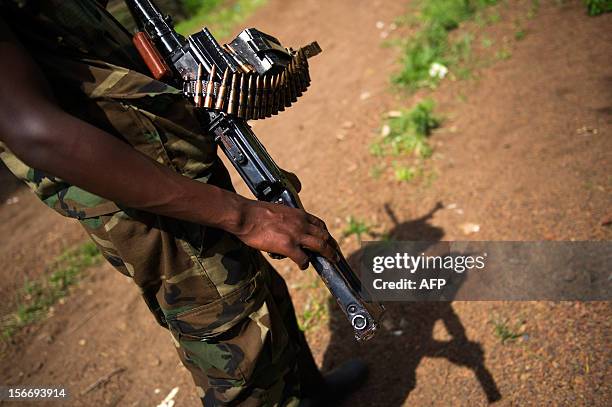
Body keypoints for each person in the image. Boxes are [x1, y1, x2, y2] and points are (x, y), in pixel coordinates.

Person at [0, 0, 366, 405]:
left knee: (259, 290)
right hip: (139, 198)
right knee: (235, 336)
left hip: (173, 159)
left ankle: (312, 395)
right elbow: (33, 131)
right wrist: (243, 216)